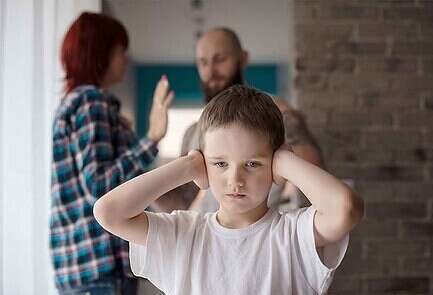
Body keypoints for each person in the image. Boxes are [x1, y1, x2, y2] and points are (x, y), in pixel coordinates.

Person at [94, 85, 364, 294]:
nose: (235, 179)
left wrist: (285, 161)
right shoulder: (183, 234)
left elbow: (346, 209)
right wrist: (187, 167)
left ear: (274, 164)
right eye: (220, 163)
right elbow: (107, 212)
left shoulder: (293, 235)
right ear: (204, 162)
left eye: (252, 163)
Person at [49, 12, 173, 294]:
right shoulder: (91, 102)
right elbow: (99, 185)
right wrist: (151, 138)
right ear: (99, 53)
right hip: (99, 267)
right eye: (120, 51)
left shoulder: (76, 104)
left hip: (82, 268)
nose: (125, 60)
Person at [152, 27, 326, 213]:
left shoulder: (276, 114)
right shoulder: (193, 132)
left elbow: (311, 168)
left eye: (220, 60)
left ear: (243, 59)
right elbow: (182, 204)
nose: (211, 71)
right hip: (211, 236)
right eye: (203, 63)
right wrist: (150, 141)